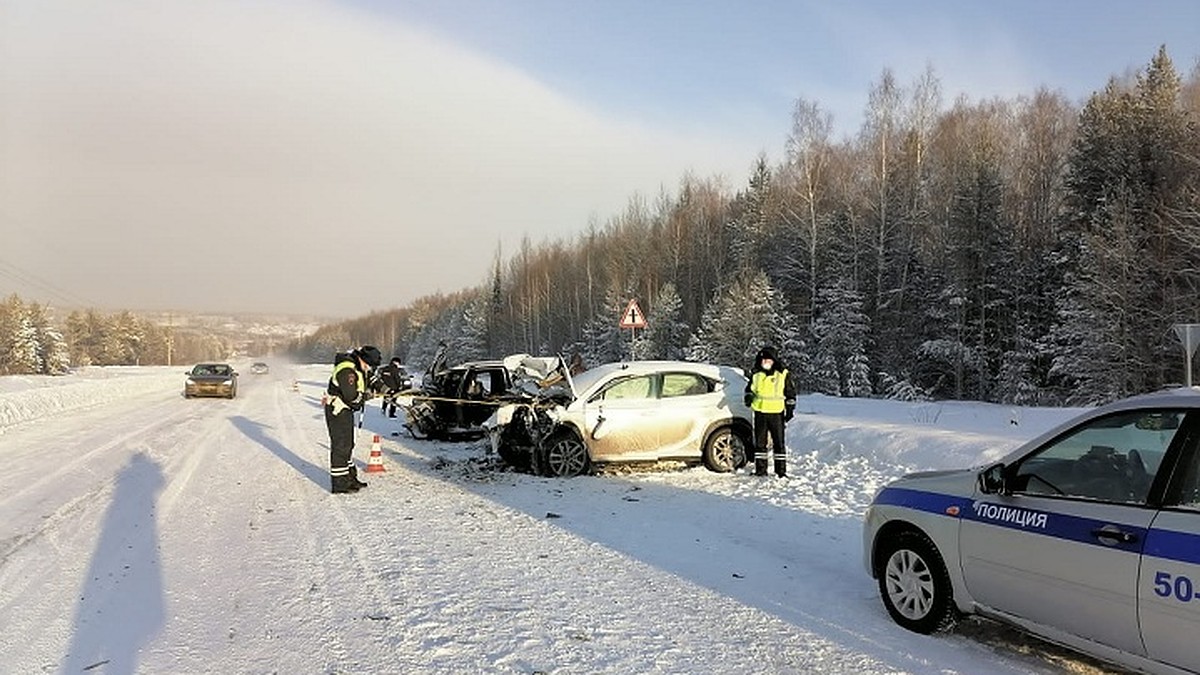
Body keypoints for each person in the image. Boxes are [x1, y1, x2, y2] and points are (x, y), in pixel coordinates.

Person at [324, 345, 382, 494]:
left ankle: (350, 478)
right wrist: (364, 397)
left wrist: (381, 388)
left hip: (344, 409)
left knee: (348, 444)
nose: (370, 369)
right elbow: (351, 396)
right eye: (370, 366)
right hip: (337, 409)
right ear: (364, 360)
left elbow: (367, 380)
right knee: (341, 446)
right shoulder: (347, 370)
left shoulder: (357, 367)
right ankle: (340, 484)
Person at [743, 345, 796, 477]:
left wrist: (790, 409)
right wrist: (748, 397)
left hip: (776, 413)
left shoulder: (782, 374)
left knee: (779, 443)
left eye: (768, 360)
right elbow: (749, 389)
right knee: (760, 444)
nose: (765, 363)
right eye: (763, 360)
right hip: (760, 412)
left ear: (774, 360)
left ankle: (781, 471)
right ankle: (761, 470)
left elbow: (790, 393)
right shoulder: (756, 374)